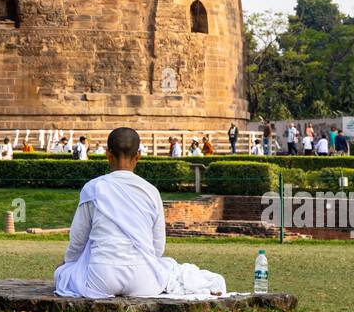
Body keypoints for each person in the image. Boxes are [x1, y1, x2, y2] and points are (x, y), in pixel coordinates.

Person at [54, 127, 227, 299]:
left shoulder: (93, 188)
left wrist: (68, 264)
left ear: (107, 154)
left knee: (62, 273)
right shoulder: (151, 192)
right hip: (144, 280)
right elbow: (157, 247)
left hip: (100, 279)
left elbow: (78, 240)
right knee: (168, 266)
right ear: (138, 155)